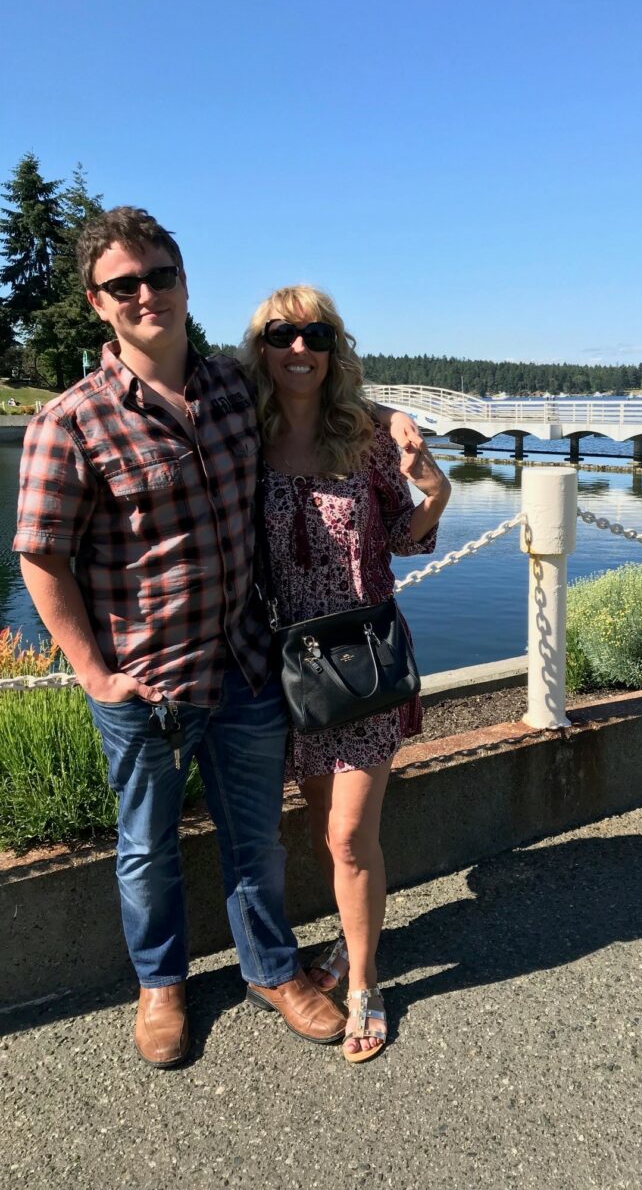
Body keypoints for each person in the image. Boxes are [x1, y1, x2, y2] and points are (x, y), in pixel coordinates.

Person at [13, 207, 419, 1068]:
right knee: (145, 846)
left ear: (184, 282)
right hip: (147, 680)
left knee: (255, 839)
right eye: (124, 284)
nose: (146, 294)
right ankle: (160, 986)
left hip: (246, 664)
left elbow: (316, 384)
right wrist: (95, 674)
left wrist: (392, 418)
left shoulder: (234, 388)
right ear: (97, 302)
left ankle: (272, 970)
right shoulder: (69, 421)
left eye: (160, 275)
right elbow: (41, 558)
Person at [241, 285, 451, 1063]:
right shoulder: (244, 436)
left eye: (316, 335)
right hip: (290, 670)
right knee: (328, 835)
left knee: (350, 836)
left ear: (335, 349)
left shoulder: (365, 438)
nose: (300, 349)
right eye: (282, 334)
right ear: (261, 347)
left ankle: (363, 983)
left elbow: (402, 535)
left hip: (363, 664)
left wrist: (437, 491)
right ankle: (349, 939)